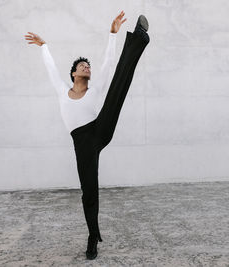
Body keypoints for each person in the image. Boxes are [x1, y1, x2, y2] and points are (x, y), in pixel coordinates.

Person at [24, 11, 150, 260]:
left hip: (99, 129)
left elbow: (107, 63)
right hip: (82, 144)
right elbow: (50, 69)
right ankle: (93, 237)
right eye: (82, 66)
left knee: (115, 86)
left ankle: (139, 38)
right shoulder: (62, 91)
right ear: (73, 74)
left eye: (88, 66)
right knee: (89, 191)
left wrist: (113, 34)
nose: (87, 67)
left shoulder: (95, 91)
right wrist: (44, 46)